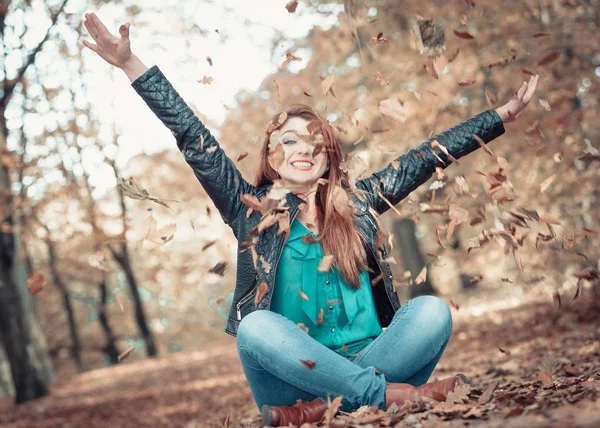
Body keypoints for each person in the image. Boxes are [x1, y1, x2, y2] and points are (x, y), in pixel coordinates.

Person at [82, 12, 538, 426]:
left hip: (374, 355)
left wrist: (498, 116)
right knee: (255, 325)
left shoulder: (359, 202)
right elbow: (192, 136)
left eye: (314, 141)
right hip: (289, 378)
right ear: (272, 157)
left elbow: (425, 158)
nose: (303, 149)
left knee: (432, 312)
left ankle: (317, 412)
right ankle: (375, 396)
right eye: (290, 141)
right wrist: (131, 65)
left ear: (329, 156)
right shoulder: (249, 209)